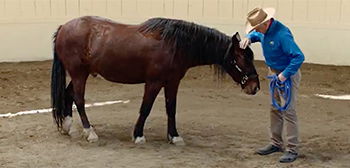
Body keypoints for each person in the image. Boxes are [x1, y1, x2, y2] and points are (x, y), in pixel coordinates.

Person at [239, 7, 305, 163]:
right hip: (274, 73)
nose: (256, 30)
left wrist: (284, 75)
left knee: (288, 110)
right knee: (275, 108)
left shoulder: (282, 35)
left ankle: (292, 148)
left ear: (266, 22)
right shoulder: (264, 31)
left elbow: (298, 57)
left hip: (286, 74)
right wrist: (249, 37)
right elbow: (258, 35)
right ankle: (276, 143)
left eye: (257, 27)